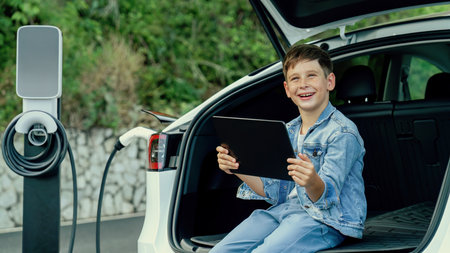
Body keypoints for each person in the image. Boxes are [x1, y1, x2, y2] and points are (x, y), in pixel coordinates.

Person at [211, 44, 367, 253]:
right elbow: (273, 191)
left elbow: (327, 197)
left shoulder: (343, 132)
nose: (303, 84)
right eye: (295, 78)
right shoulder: (287, 130)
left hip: (325, 220)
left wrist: (311, 180)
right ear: (287, 89)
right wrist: (237, 167)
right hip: (284, 211)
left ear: (329, 82)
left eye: (311, 76)